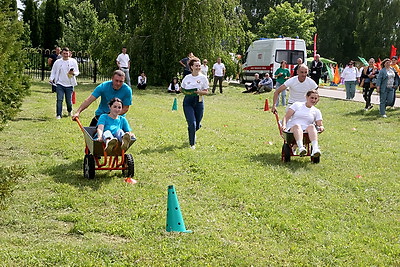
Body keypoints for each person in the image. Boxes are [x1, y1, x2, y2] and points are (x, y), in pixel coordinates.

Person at [281, 90, 324, 157]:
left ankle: (315, 149)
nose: (313, 100)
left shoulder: (316, 111)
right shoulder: (297, 105)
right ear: (307, 97)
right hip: (293, 130)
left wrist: (321, 127)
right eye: (312, 98)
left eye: (315, 98)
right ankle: (301, 147)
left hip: (306, 132)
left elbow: (319, 124)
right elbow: (286, 117)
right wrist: (283, 125)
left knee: (312, 126)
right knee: (297, 126)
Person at [181, 57, 209, 149]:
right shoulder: (187, 78)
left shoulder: (203, 78)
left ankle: (193, 130)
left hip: (199, 102)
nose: (198, 67)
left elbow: (206, 91)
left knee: (197, 124)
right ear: (191, 67)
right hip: (188, 102)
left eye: (199, 66)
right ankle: (192, 144)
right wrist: (181, 90)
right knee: (192, 123)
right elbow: (182, 89)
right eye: (196, 66)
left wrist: (199, 92)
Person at [49, 47, 79, 119]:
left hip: (69, 84)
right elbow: (54, 71)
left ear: (69, 53)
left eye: (67, 53)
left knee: (69, 100)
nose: (65, 55)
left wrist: (73, 73)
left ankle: (69, 111)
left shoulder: (73, 61)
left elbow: (77, 72)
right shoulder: (58, 62)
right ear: (61, 53)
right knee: (59, 99)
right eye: (64, 53)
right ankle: (58, 114)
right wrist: (51, 79)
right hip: (60, 84)